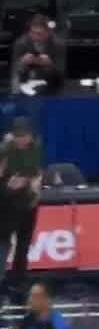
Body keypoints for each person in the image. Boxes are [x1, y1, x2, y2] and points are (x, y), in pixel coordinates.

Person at [0, 118, 43, 300]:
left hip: (28, 204)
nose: (21, 139)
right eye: (18, 136)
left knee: (23, 244)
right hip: (7, 204)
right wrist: (10, 186)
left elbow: (36, 172)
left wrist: (34, 183)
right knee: (3, 243)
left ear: (30, 135)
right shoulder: (5, 151)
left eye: (24, 135)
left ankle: (18, 281)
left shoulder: (36, 148)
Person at [10, 13, 65, 94]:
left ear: (49, 32)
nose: (35, 37)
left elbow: (61, 73)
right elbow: (14, 72)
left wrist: (50, 65)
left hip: (51, 85)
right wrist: (22, 63)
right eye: (32, 33)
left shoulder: (58, 44)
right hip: (26, 83)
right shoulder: (21, 43)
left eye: (39, 34)